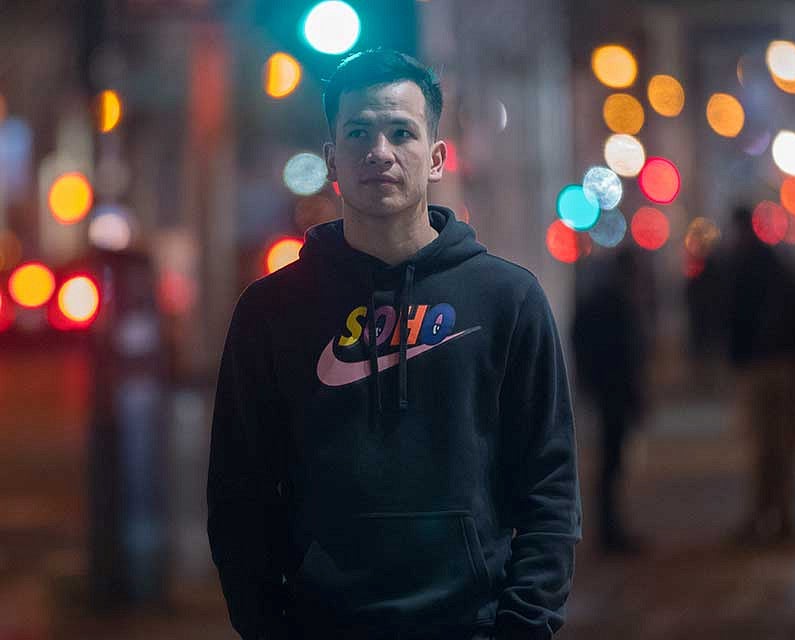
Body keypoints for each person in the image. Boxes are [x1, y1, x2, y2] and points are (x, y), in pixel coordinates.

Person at [207, 48, 582, 640]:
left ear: (435, 158)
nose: (378, 151)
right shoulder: (270, 312)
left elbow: (550, 488)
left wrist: (523, 626)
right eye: (358, 132)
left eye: (400, 132)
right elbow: (238, 494)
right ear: (332, 159)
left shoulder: (509, 300)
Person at [723, 205, 795, 546]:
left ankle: (764, 516)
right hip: (782, 365)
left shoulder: (745, 267)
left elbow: (734, 318)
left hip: (761, 367)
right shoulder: (775, 265)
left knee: (765, 446)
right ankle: (779, 516)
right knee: (779, 445)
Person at [571, 247, 647, 553]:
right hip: (614, 393)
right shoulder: (617, 303)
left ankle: (610, 528)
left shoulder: (598, 299)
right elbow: (627, 354)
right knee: (611, 462)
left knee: (610, 462)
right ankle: (610, 531)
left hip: (605, 391)